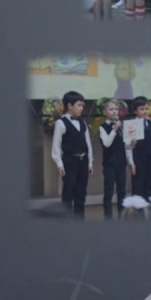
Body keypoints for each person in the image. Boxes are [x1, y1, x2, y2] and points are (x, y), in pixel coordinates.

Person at [51, 90, 92, 218]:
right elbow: (56, 145)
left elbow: (88, 144)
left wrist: (90, 162)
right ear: (70, 106)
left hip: (83, 161)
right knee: (68, 191)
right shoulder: (61, 123)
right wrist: (59, 164)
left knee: (81, 192)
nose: (82, 108)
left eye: (83, 106)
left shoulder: (83, 123)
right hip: (69, 162)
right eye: (79, 105)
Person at [125, 96, 151, 209]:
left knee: (150, 184)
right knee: (138, 185)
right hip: (138, 159)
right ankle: (138, 211)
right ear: (135, 111)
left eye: (147, 109)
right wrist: (131, 163)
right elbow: (127, 146)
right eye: (142, 109)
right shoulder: (131, 124)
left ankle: (148, 210)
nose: (145, 111)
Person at [97, 99, 128, 219]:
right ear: (104, 112)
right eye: (111, 109)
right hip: (109, 164)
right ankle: (108, 218)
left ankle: (122, 216)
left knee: (122, 192)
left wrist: (132, 144)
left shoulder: (121, 126)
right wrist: (114, 129)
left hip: (121, 163)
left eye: (116, 109)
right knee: (109, 192)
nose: (115, 111)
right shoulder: (103, 127)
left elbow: (125, 145)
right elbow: (106, 143)